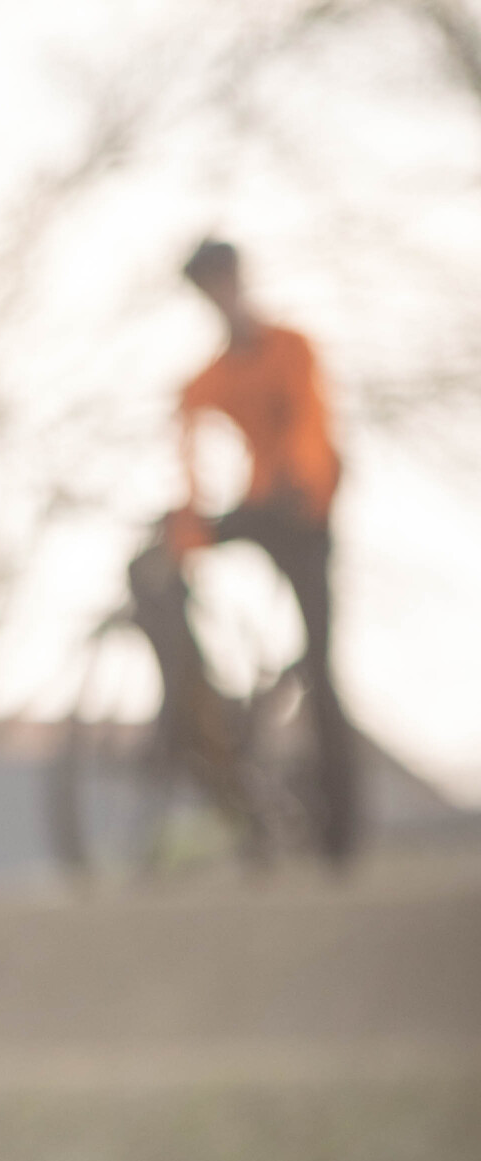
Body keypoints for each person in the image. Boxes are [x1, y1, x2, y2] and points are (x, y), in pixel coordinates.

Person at [169, 237, 357, 863]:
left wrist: (297, 481)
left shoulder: (292, 348)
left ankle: (342, 828)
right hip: (257, 504)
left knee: (321, 665)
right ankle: (203, 719)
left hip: (306, 509)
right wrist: (189, 514)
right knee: (153, 567)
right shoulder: (211, 377)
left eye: (224, 281)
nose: (219, 296)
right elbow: (187, 436)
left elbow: (311, 423)